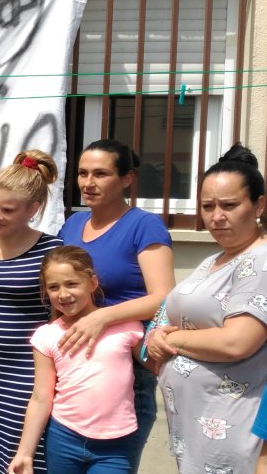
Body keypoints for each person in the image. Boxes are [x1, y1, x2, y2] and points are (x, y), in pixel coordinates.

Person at [144, 144, 267, 473]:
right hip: (198, 429)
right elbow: (162, 321)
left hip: (236, 428)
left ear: (258, 205)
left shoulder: (263, 260)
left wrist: (170, 340)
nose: (216, 217)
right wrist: (156, 337)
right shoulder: (212, 261)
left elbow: (237, 342)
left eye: (229, 205)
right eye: (207, 206)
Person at [58, 139, 174, 469]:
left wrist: (102, 317)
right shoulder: (72, 225)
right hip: (74, 369)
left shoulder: (143, 225)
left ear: (127, 179)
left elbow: (164, 298)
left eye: (100, 174)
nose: (88, 183)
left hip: (125, 371)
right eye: (82, 173)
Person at [8, 246, 146, 474]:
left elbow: (157, 364)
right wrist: (25, 453)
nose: (63, 294)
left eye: (72, 284)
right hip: (64, 438)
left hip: (116, 443)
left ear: (92, 282)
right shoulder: (47, 335)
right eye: (54, 287)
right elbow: (41, 397)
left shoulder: (125, 326)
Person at [0, 150, 63, 474]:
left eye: (7, 210)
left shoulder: (52, 250)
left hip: (31, 373)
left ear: (33, 209)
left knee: (28, 458)